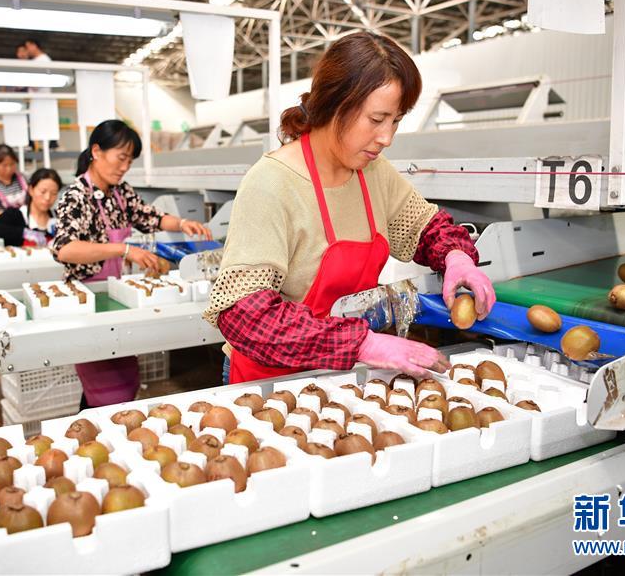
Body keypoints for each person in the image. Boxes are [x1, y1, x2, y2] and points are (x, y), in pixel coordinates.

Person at [203, 32, 496, 385]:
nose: (387, 138)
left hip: (342, 377)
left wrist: (456, 258)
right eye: (377, 119)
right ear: (335, 104)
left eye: (396, 120)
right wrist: (363, 343)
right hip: (270, 384)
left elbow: (426, 228)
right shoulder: (272, 183)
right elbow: (244, 316)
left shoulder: (374, 173)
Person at [52, 119, 212, 407]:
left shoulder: (120, 193)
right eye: (121, 157)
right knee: (105, 386)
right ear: (97, 151)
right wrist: (124, 249)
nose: (125, 166)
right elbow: (65, 249)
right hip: (88, 300)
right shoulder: (76, 197)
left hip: (117, 297)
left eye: (130, 161)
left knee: (124, 376)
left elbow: (150, 217)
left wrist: (183, 223)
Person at [0, 168, 61, 247]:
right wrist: (24, 232)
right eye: (43, 192)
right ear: (31, 190)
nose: (47, 197)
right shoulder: (16, 215)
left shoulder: (59, 217)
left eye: (54, 193)